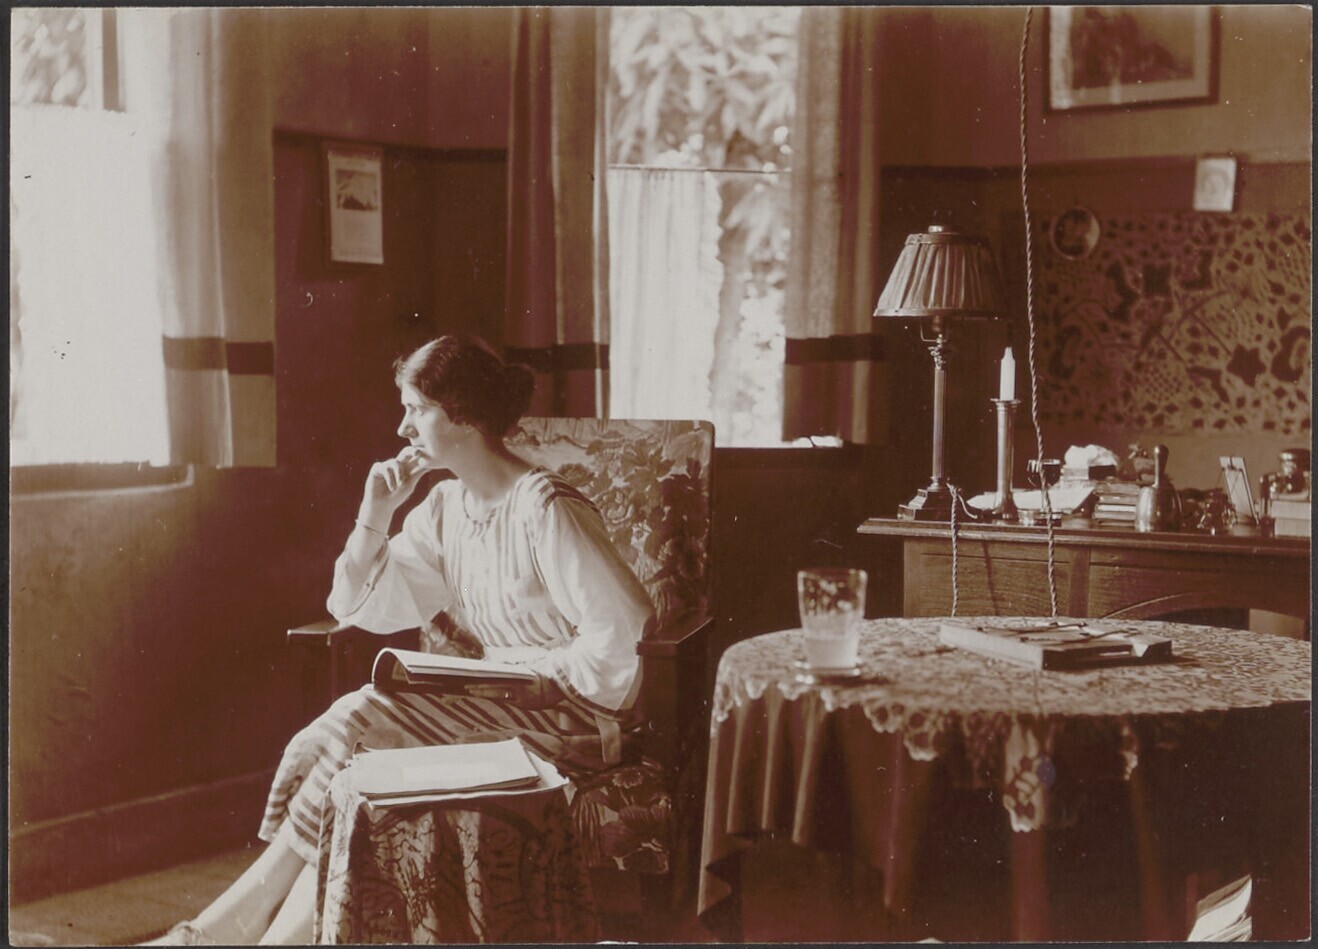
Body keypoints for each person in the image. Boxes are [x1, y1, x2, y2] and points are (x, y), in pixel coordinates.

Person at [153, 335, 656, 944]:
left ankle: (219, 932)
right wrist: (376, 513)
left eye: (416, 409)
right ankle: (247, 934)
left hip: (572, 718)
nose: (402, 427)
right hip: (499, 706)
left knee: (363, 720)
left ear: (462, 415)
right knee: (356, 747)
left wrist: (541, 679)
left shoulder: (544, 507)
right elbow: (361, 606)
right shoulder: (448, 506)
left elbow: (626, 630)